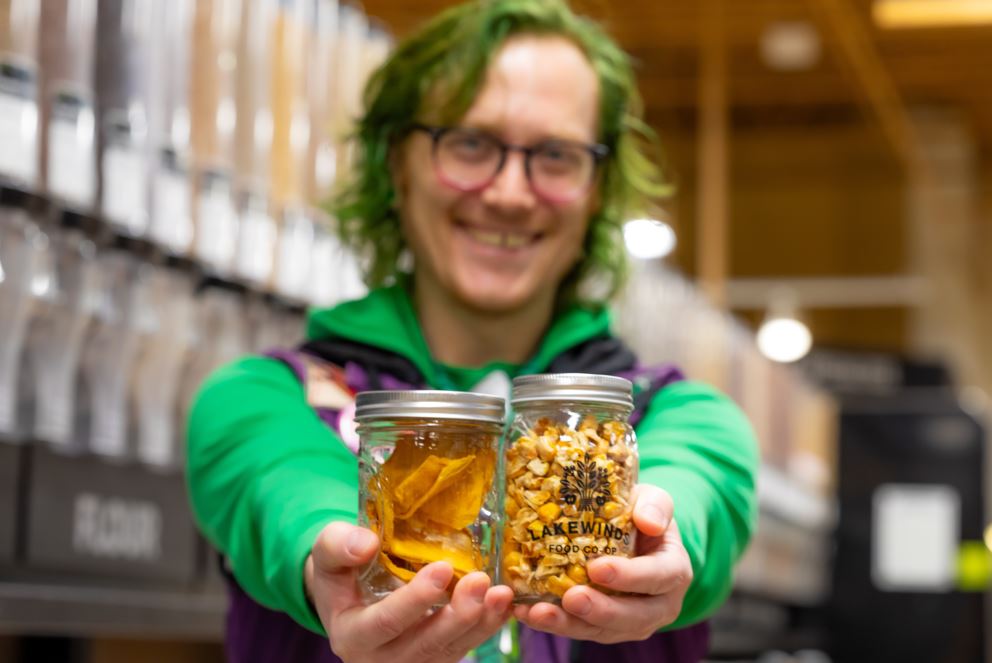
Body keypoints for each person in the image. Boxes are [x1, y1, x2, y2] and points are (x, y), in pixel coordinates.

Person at [186, 1, 759, 661]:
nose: (511, 192)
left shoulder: (681, 415)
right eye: (469, 143)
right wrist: (331, 554)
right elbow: (285, 484)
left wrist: (655, 530)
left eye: (556, 155)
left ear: (598, 189)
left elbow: (693, 484)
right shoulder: (264, 396)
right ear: (396, 162)